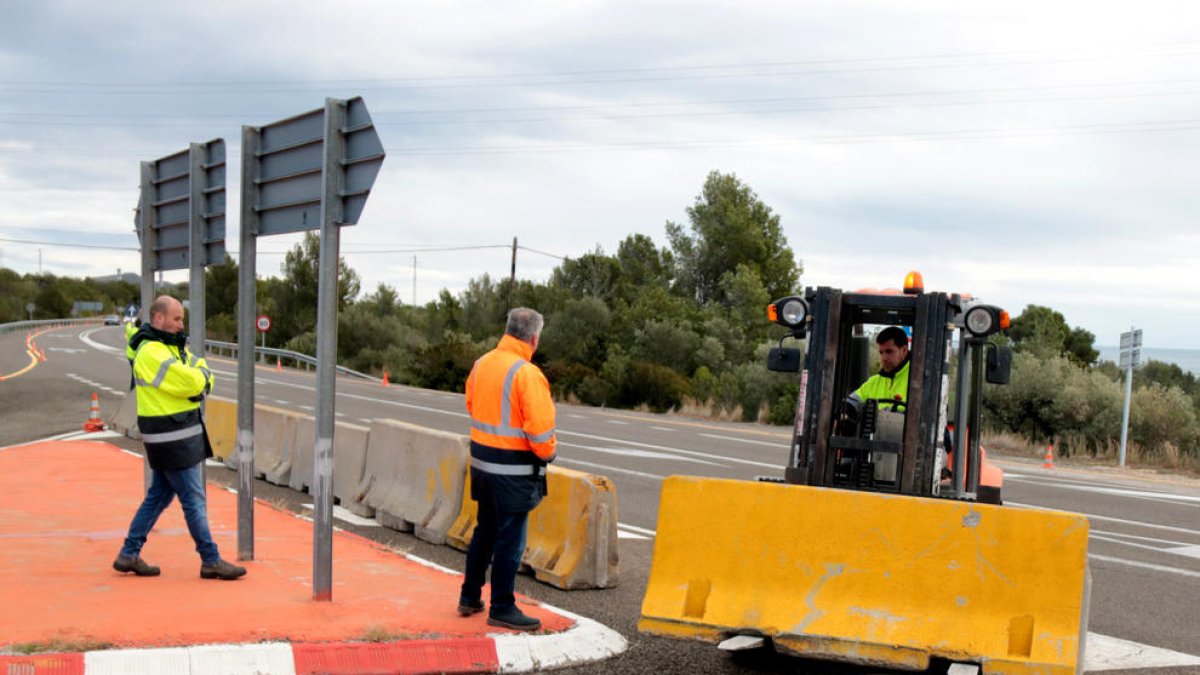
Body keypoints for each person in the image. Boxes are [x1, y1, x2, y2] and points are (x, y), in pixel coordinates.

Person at [112, 295, 246, 580]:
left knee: (158, 496)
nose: (181, 325)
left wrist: (201, 375)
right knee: (194, 499)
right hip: (171, 436)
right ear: (158, 319)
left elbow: (199, 366)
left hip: (174, 435)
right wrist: (201, 378)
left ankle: (129, 553)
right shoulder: (152, 352)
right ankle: (210, 559)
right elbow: (195, 380)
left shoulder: (166, 347)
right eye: (176, 319)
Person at [458, 308, 556, 631]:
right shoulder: (527, 374)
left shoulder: (482, 363)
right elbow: (541, 436)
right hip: (512, 472)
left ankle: (470, 596)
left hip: (483, 466)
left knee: (484, 532)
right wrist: (549, 452)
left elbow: (471, 404)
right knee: (510, 541)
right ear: (534, 338)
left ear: (507, 329)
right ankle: (502, 606)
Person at [850, 326, 910, 411]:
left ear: (904, 350)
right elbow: (851, 402)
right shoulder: (874, 382)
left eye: (889, 352)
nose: (884, 358)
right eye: (881, 353)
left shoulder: (916, 381)